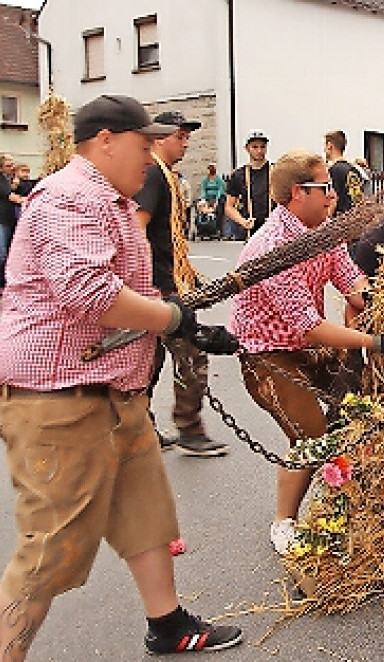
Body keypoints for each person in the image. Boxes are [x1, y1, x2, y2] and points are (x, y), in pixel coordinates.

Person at [0, 94, 243, 660]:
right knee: (48, 550)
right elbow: (91, 295)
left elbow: (130, 294)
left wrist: (183, 326)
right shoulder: (68, 198)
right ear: (105, 140)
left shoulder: (114, 202)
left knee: (144, 513)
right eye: (143, 144)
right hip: (59, 400)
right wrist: (172, 316)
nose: (151, 157)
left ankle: (167, 623)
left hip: (115, 395)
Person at [227, 149, 384, 556]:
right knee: (312, 437)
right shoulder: (271, 249)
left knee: (359, 410)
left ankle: (356, 510)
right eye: (324, 188)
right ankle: (283, 523)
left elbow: (351, 283)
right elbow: (310, 324)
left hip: (310, 349)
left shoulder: (323, 232)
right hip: (268, 357)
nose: (332, 195)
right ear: (295, 194)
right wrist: (373, 342)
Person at [134, 110, 228, 457]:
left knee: (153, 359)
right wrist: (150, 288)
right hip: (160, 286)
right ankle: (189, 428)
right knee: (191, 355)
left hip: (170, 281)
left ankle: (143, 429)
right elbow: (137, 229)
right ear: (159, 138)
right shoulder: (153, 177)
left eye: (187, 137)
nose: (186, 143)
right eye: (180, 136)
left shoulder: (165, 175)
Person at [224, 131, 272, 240]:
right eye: (255, 147)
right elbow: (229, 206)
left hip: (273, 229)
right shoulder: (238, 175)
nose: (259, 151)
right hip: (252, 231)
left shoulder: (275, 171)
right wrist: (243, 222)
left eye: (262, 147)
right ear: (247, 148)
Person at [0, 154, 25, 290]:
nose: (11, 168)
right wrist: (24, 200)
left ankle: (12, 281)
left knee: (13, 253)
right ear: (1, 166)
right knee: (1, 254)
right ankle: (0, 283)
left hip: (14, 219)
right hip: (0, 219)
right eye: (8, 166)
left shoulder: (15, 179)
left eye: (12, 165)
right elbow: (8, 195)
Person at [325, 130, 365, 214]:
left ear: (329, 146)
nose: (324, 150)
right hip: (355, 218)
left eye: (325, 146)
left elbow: (332, 200)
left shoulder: (333, 170)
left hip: (339, 220)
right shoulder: (354, 170)